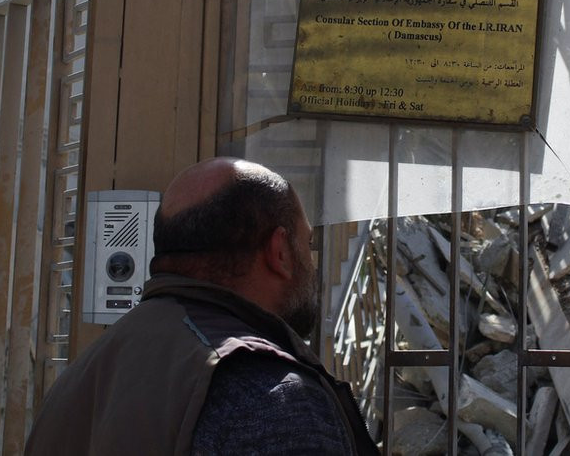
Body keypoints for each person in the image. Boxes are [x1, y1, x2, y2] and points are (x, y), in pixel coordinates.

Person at [25, 158, 379, 455]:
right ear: (281, 252)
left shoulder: (87, 371)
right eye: (309, 244)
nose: (312, 264)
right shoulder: (276, 397)